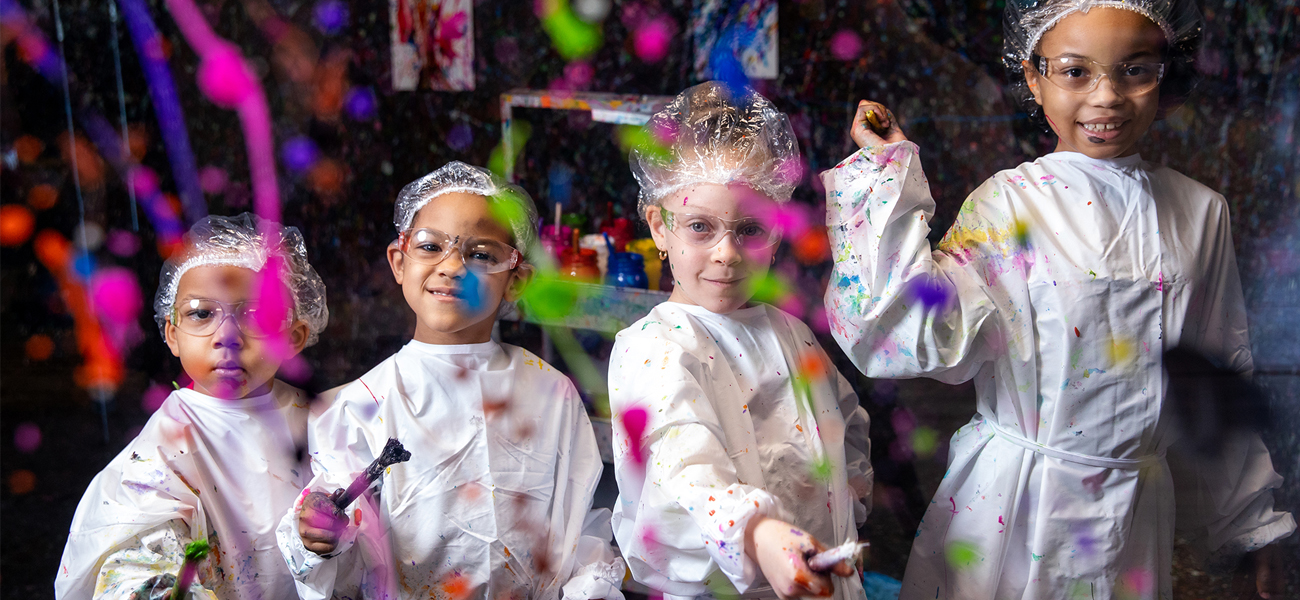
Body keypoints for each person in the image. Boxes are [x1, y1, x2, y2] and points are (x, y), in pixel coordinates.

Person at [823, 0, 1295, 597]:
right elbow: (906, 337)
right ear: (1033, 77)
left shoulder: (1200, 213)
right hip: (1010, 510)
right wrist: (883, 177)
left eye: (1134, 69)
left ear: (1164, 73)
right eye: (1075, 71)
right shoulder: (1008, 207)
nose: (1106, 98)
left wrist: (1252, 527)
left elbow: (1214, 378)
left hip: (1133, 519)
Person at [276, 161, 625, 600]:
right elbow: (335, 535)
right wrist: (316, 536)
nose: (452, 266)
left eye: (481, 254)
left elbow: (582, 526)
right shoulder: (362, 403)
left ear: (516, 280)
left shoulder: (550, 392)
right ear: (399, 262)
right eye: (430, 246)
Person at [608, 81, 873, 600]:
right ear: (660, 227)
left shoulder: (789, 332)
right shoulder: (655, 347)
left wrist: (845, 511)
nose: (727, 253)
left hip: (816, 574)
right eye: (701, 227)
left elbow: (846, 427)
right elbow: (681, 463)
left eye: (749, 229)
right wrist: (758, 533)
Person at [56, 213, 330, 599]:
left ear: (294, 335)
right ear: (172, 334)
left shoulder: (329, 421)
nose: (228, 337)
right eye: (201, 314)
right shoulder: (164, 446)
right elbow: (135, 559)